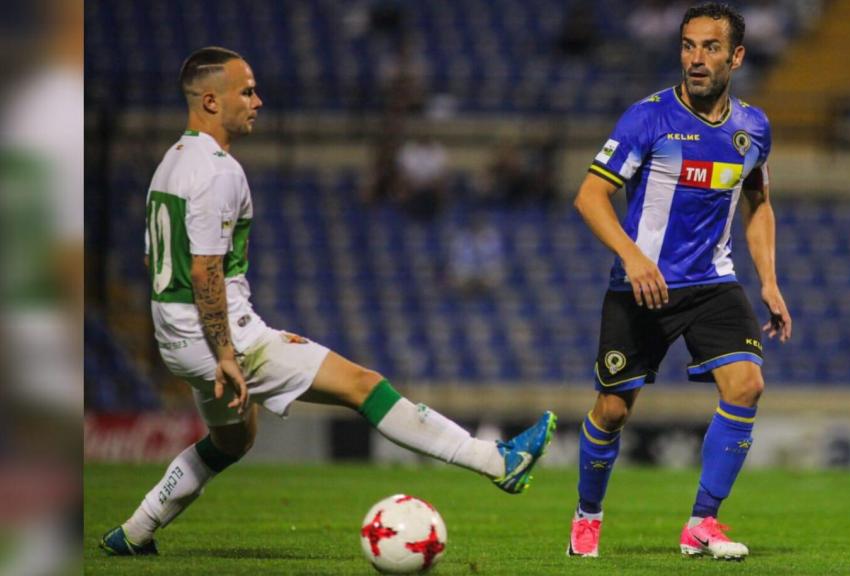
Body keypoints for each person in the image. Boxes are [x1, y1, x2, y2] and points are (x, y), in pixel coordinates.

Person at [99, 46, 556, 556]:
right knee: (365, 386)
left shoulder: (170, 164)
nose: (259, 100)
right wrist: (229, 353)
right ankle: (498, 461)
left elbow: (155, 264)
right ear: (210, 100)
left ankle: (135, 531)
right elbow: (206, 270)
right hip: (218, 340)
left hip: (178, 336)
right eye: (246, 91)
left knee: (233, 441)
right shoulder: (217, 170)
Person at [566, 2, 791, 560]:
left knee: (748, 384)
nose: (696, 58)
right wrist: (633, 257)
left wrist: (769, 281)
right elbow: (590, 197)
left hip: (713, 284)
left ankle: (702, 524)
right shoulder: (647, 119)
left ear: (736, 56)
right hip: (640, 286)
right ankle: (587, 517)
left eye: (710, 47)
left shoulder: (752, 128)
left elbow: (758, 202)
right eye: (688, 45)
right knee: (613, 409)